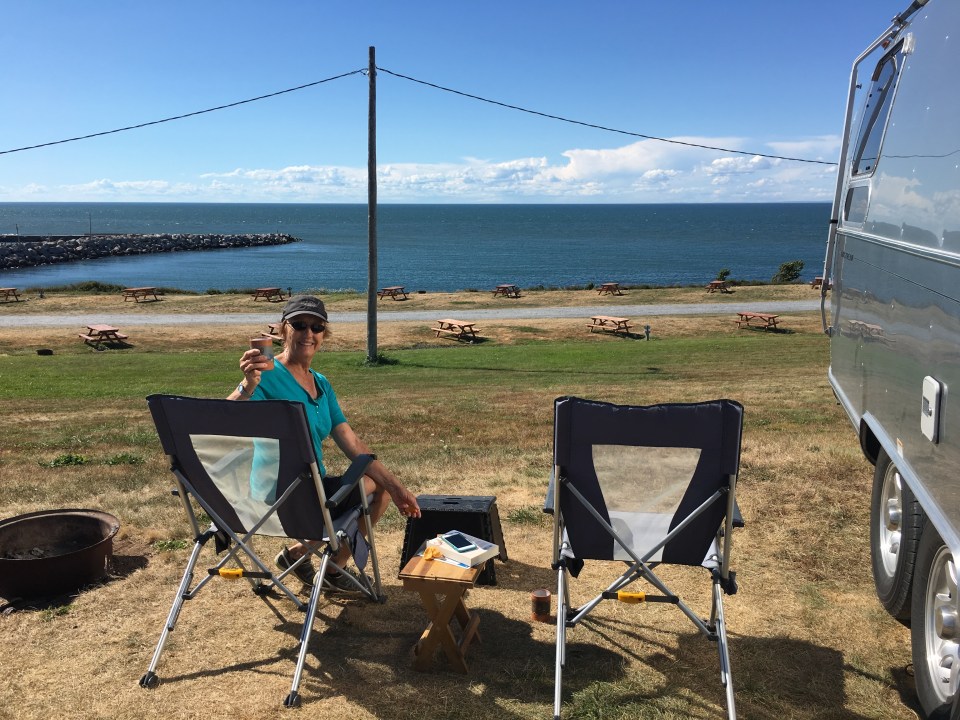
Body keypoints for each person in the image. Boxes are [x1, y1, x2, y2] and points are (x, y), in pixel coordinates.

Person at [230, 294, 420, 591]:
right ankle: (331, 570)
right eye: (299, 324)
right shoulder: (265, 374)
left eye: (317, 327)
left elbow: (352, 442)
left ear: (323, 335)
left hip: (311, 488)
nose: (309, 333)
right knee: (374, 488)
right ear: (283, 330)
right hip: (282, 494)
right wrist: (247, 384)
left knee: (379, 486)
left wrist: (399, 488)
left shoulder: (321, 382)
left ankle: (301, 555)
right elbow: (226, 420)